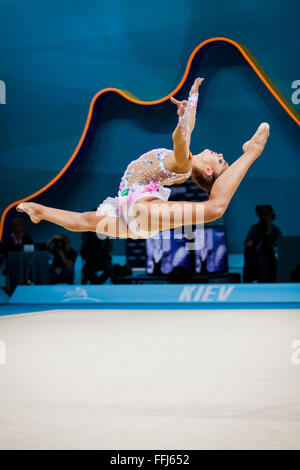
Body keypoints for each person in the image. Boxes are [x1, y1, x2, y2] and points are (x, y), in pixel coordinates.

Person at [16, 77, 270, 239]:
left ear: (206, 171)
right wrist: (190, 103)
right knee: (83, 221)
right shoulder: (181, 166)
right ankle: (40, 211)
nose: (220, 154)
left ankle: (251, 152)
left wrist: (185, 115)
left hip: (142, 212)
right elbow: (186, 133)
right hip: (135, 215)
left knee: (215, 209)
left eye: (221, 162)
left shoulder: (181, 164)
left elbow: (182, 138)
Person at [243, 205, 282, 282]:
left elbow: (280, 245)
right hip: (255, 260)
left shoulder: (275, 230)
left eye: (267, 215)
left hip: (270, 261)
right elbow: (247, 243)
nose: (265, 218)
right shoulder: (255, 228)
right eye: (263, 215)